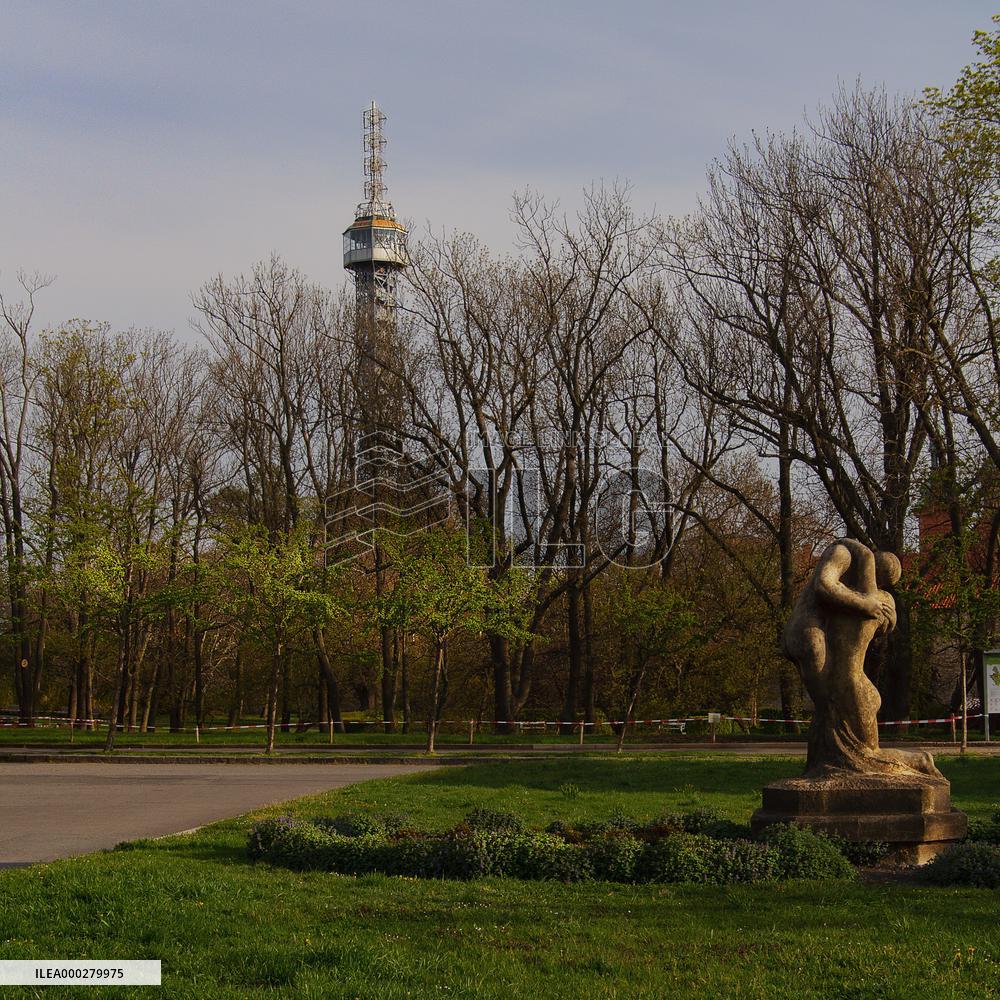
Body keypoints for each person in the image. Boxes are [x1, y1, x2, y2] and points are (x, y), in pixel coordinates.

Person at [782, 538, 940, 777]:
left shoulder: (864, 594)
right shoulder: (843, 554)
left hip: (833, 654)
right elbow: (824, 585)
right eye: (878, 580)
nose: (875, 586)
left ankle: (829, 758)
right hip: (807, 631)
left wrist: (885, 614)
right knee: (829, 704)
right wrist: (865, 603)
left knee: (833, 711)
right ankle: (827, 760)